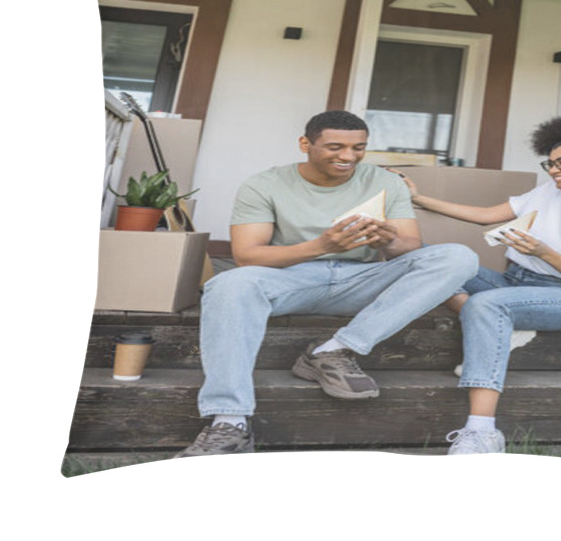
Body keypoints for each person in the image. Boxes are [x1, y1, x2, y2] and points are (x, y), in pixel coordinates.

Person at [174, 110, 478, 457]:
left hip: (360, 281)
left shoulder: (385, 181)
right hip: (291, 279)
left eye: (358, 148)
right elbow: (246, 256)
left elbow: (408, 245)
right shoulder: (264, 184)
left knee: (457, 256)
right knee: (227, 286)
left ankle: (335, 349)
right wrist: (322, 246)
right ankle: (230, 422)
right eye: (335, 147)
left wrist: (384, 241)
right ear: (306, 144)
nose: (348, 157)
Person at [394, 112, 561, 455]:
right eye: (550, 163)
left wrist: (547, 253)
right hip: (514, 283)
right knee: (428, 255)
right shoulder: (550, 192)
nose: (554, 170)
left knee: (487, 305)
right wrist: (419, 197)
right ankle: (498, 326)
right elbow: (487, 215)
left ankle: (482, 431)